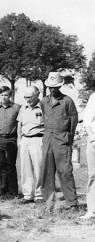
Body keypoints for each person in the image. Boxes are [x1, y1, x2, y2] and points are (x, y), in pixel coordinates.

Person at [40, 72, 78, 212]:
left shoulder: (67, 101)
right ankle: (48, 204)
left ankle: (72, 203)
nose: (52, 89)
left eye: (55, 87)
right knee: (47, 172)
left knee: (65, 171)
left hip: (62, 141)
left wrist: (68, 139)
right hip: (48, 140)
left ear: (60, 86)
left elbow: (73, 122)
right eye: (50, 87)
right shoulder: (43, 101)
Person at [0, 86, 21, 198]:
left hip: (11, 139)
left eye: (6, 95)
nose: (4, 97)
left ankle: (13, 191)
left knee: (11, 165)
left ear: (10, 96)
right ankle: (3, 190)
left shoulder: (16, 108)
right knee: (1, 165)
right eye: (2, 95)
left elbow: (20, 124)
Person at [17, 86, 44, 203]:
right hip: (25, 140)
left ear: (37, 95)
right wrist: (19, 139)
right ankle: (28, 195)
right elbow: (19, 124)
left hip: (38, 139)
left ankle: (40, 195)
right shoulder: (23, 108)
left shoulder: (43, 107)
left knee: (39, 167)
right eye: (25, 97)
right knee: (25, 168)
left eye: (30, 97)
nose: (27, 100)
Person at [80, 92, 95, 220]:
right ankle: (92, 210)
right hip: (94, 142)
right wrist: (92, 138)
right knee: (93, 175)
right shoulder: (94, 97)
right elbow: (87, 121)